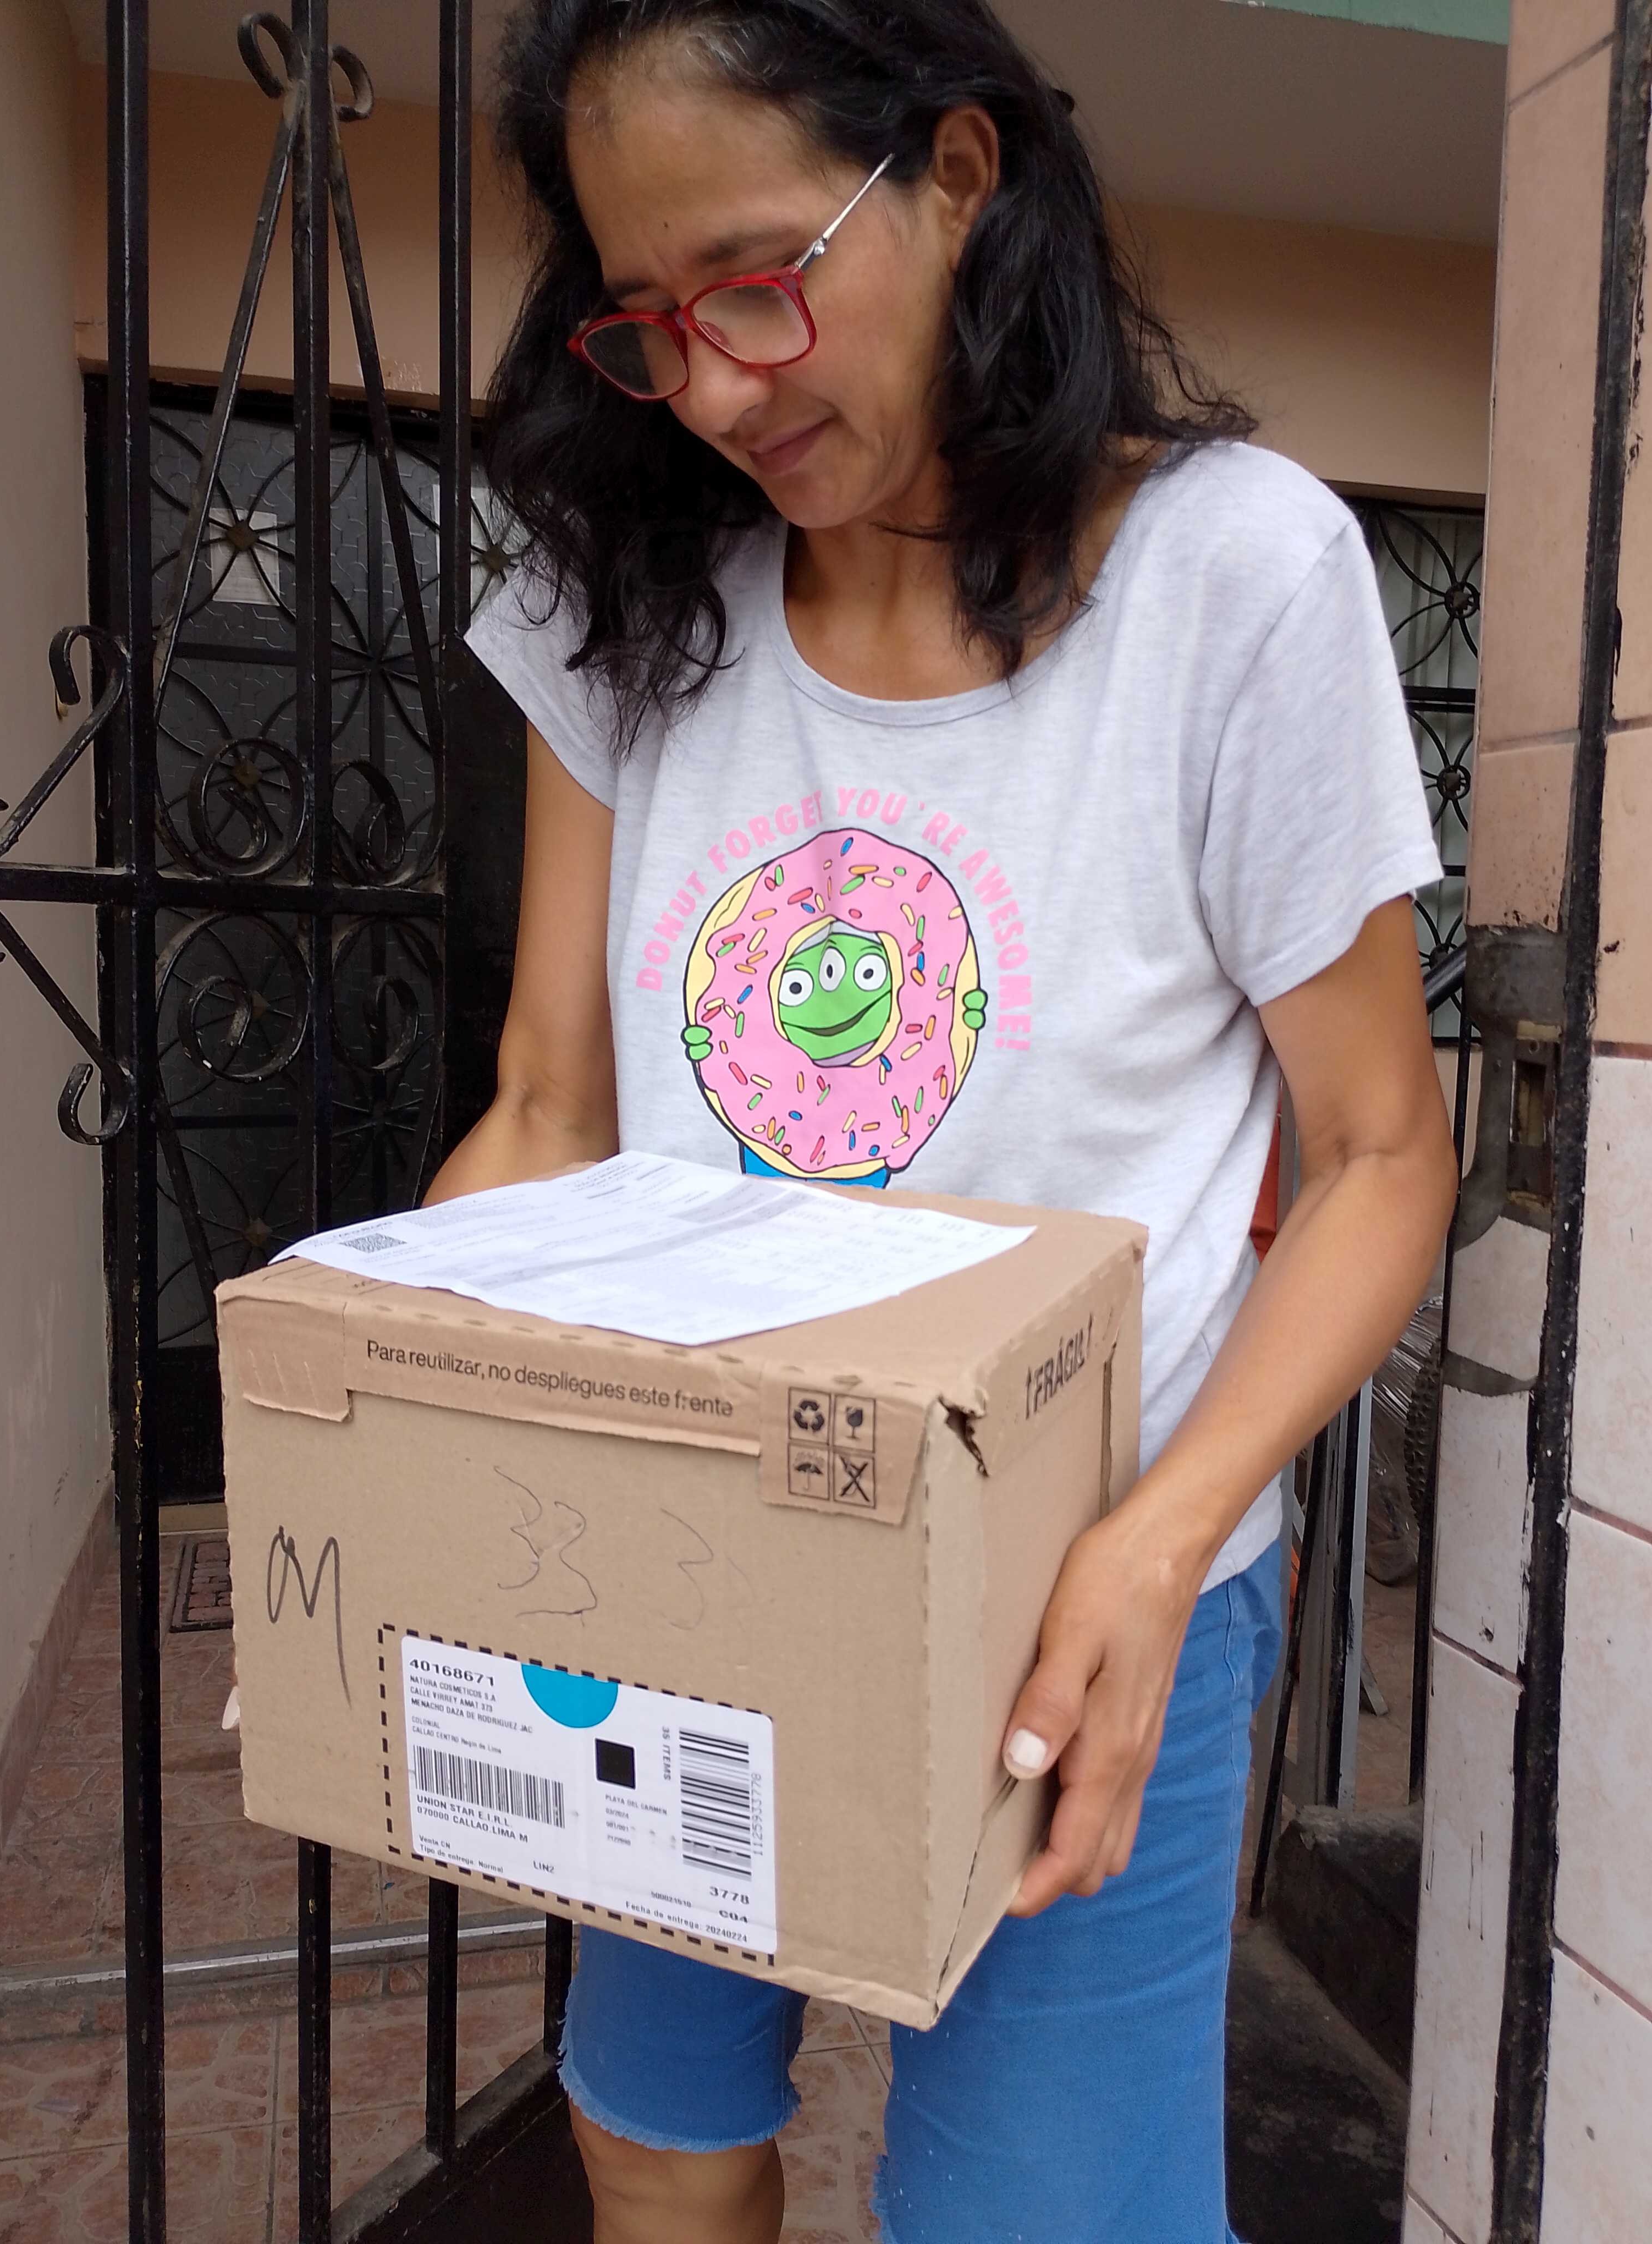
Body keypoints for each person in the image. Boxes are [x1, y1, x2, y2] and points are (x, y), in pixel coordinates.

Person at [433, 4, 1458, 2237]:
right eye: (649, 322)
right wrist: (416, 1443)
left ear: (963, 177)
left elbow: (1385, 1154)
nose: (715, 389)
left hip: (1082, 1600)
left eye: (758, 283)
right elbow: (546, 1100)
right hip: (690, 1548)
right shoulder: (629, 595)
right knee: (659, 2144)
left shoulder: (1233, 578)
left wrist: (1161, 1542)